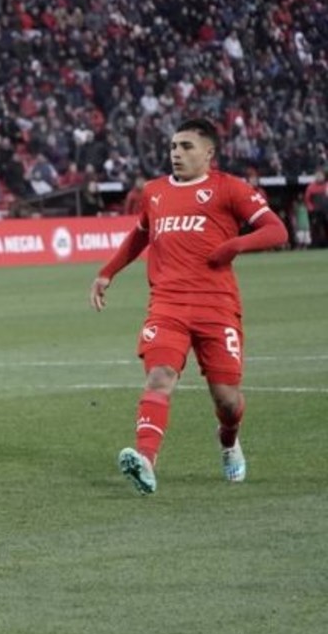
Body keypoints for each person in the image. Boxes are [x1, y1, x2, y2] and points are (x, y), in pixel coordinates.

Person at [90, 118, 287, 494]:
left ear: (208, 153)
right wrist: (107, 272)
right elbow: (140, 236)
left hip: (217, 305)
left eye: (186, 147)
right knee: (160, 376)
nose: (176, 154)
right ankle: (147, 461)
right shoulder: (155, 192)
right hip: (167, 303)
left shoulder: (229, 188)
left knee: (226, 400)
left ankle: (228, 440)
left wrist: (233, 245)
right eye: (173, 147)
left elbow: (276, 230)